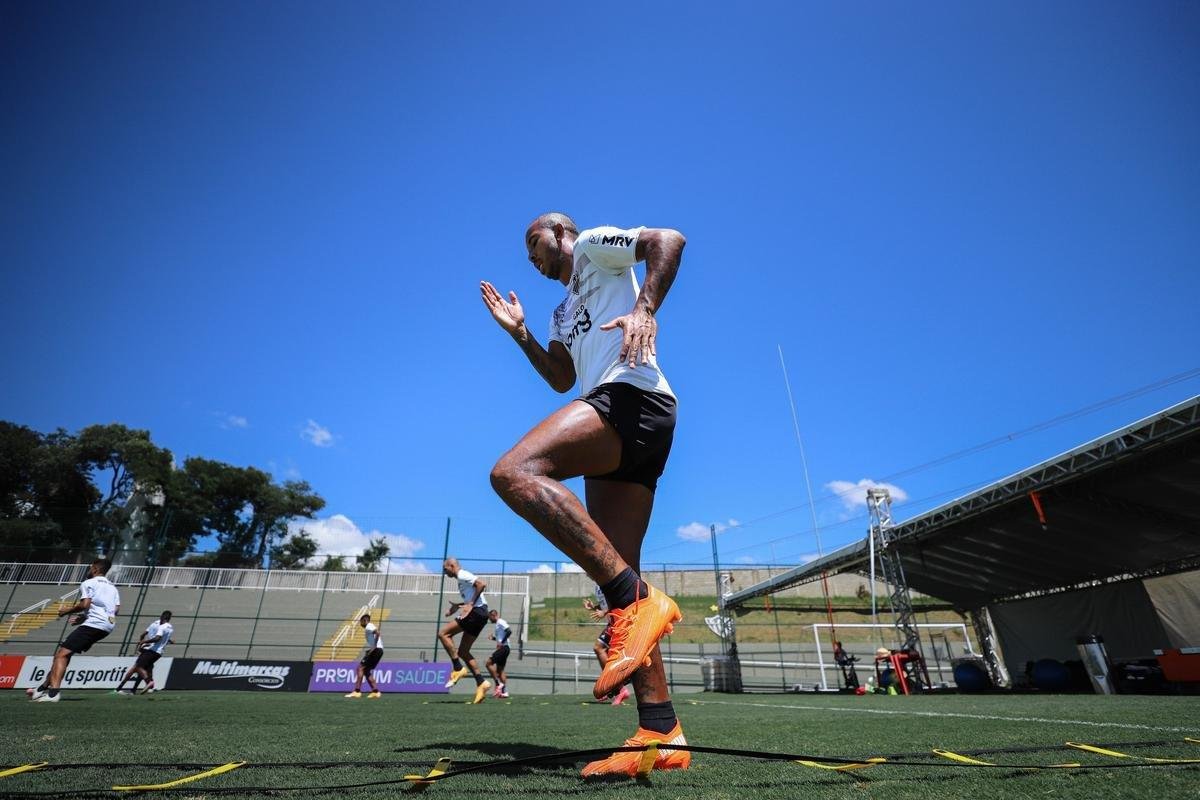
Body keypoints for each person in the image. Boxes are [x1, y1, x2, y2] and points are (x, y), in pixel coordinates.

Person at [480, 213, 689, 776]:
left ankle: (636, 598)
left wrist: (644, 308)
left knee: (514, 472)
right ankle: (661, 732)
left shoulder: (596, 246)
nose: (531, 257)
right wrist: (521, 332)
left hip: (632, 396)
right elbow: (559, 376)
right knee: (625, 576)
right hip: (615, 417)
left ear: (560, 233)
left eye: (534, 243)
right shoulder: (558, 310)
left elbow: (667, 240)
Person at [30, 558, 121, 703]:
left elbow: (85, 604)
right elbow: (115, 609)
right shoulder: (113, 588)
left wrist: (66, 611)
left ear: (95, 569)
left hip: (94, 624)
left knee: (61, 655)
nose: (89, 570)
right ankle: (41, 689)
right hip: (107, 626)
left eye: (91, 567)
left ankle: (53, 694)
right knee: (65, 654)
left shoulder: (88, 583)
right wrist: (84, 618)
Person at [438, 557, 492, 704]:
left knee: (443, 634)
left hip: (476, 612)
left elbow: (481, 584)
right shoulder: (461, 580)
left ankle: (457, 668)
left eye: (445, 568)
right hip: (481, 614)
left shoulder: (462, 574)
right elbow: (472, 595)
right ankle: (481, 683)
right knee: (463, 651)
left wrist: (470, 605)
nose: (444, 571)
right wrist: (459, 605)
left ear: (452, 565)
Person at [584, 586, 631, 706]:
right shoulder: (597, 586)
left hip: (620, 621)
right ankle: (615, 689)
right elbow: (606, 605)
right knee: (611, 656)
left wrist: (604, 612)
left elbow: (617, 600)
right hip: (614, 622)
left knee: (598, 648)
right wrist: (594, 608)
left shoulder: (606, 580)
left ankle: (619, 687)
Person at [115, 610, 174, 695]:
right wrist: (169, 641)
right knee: (146, 669)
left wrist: (142, 642)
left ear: (162, 617)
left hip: (150, 649)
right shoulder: (170, 627)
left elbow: (151, 637)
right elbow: (163, 638)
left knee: (137, 667)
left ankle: (120, 688)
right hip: (159, 652)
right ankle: (136, 689)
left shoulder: (158, 625)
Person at [345, 613, 384, 699]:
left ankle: (357, 691)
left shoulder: (369, 626)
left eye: (361, 622)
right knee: (366, 670)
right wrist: (371, 649)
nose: (360, 624)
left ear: (365, 620)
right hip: (379, 650)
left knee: (360, 668)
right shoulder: (369, 627)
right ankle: (375, 692)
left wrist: (373, 646)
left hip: (376, 650)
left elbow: (378, 633)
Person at [484, 609, 512, 699]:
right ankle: (505, 692)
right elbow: (500, 637)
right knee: (500, 671)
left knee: (488, 663)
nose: (489, 620)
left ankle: (498, 684)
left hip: (504, 648)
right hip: (505, 648)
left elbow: (509, 631)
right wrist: (493, 638)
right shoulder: (497, 624)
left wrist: (501, 643)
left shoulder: (500, 621)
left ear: (494, 615)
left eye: (490, 618)